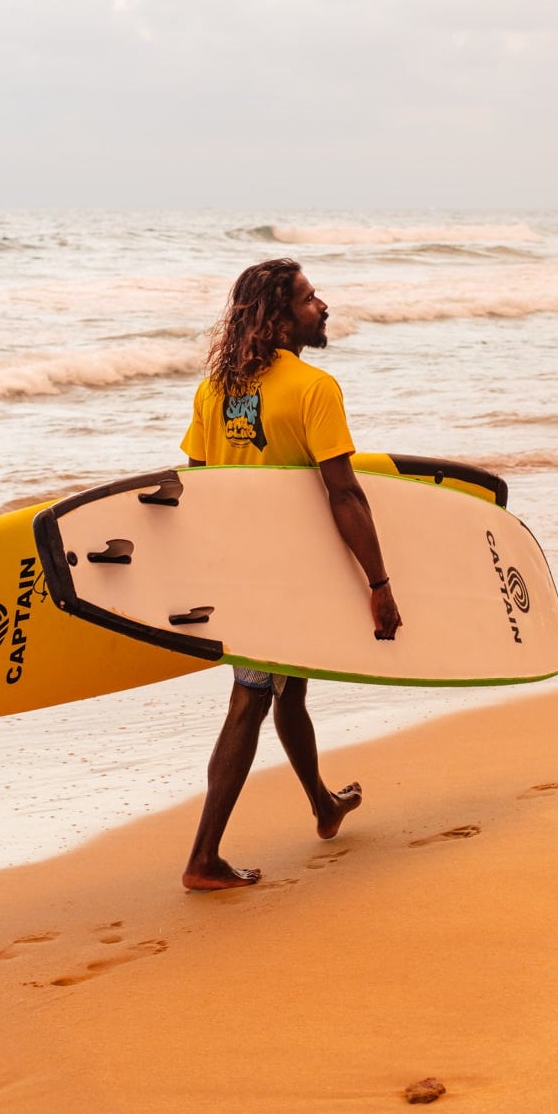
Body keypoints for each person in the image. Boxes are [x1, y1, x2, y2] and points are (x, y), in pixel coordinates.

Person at [180, 257, 402, 891]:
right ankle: (202, 857)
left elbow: (198, 484)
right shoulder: (313, 387)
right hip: (278, 582)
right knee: (251, 697)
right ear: (278, 320)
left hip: (242, 571)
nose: (322, 306)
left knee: (289, 688)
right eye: (308, 299)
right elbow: (343, 494)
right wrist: (380, 586)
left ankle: (323, 805)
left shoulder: (213, 390)